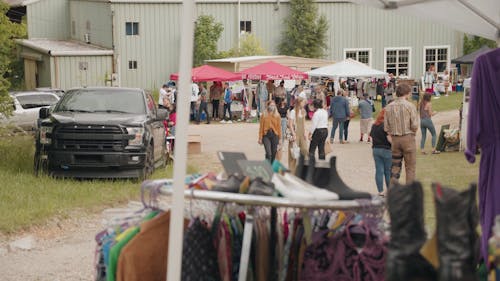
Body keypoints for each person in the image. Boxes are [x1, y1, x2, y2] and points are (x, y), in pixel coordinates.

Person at [384, 84, 419, 184]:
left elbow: (386, 127)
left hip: (395, 139)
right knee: (410, 167)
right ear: (407, 93)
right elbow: (415, 125)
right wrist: (413, 133)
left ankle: (393, 190)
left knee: (395, 166)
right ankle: (409, 192)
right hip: (408, 137)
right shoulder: (410, 106)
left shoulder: (388, 107)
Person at [370, 108, 392, 196]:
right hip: (386, 149)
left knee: (379, 170)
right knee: (388, 171)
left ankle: (380, 191)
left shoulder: (374, 125)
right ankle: (389, 191)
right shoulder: (387, 125)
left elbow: (371, 135)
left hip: (375, 149)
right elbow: (389, 139)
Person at [287, 97, 308, 173]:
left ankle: (304, 170)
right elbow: (290, 124)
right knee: (293, 153)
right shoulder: (293, 112)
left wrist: (305, 132)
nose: (304, 103)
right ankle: (292, 171)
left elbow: (304, 123)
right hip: (295, 133)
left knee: (305, 150)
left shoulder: (303, 111)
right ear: (299, 103)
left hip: (302, 134)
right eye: (303, 102)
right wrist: (293, 134)